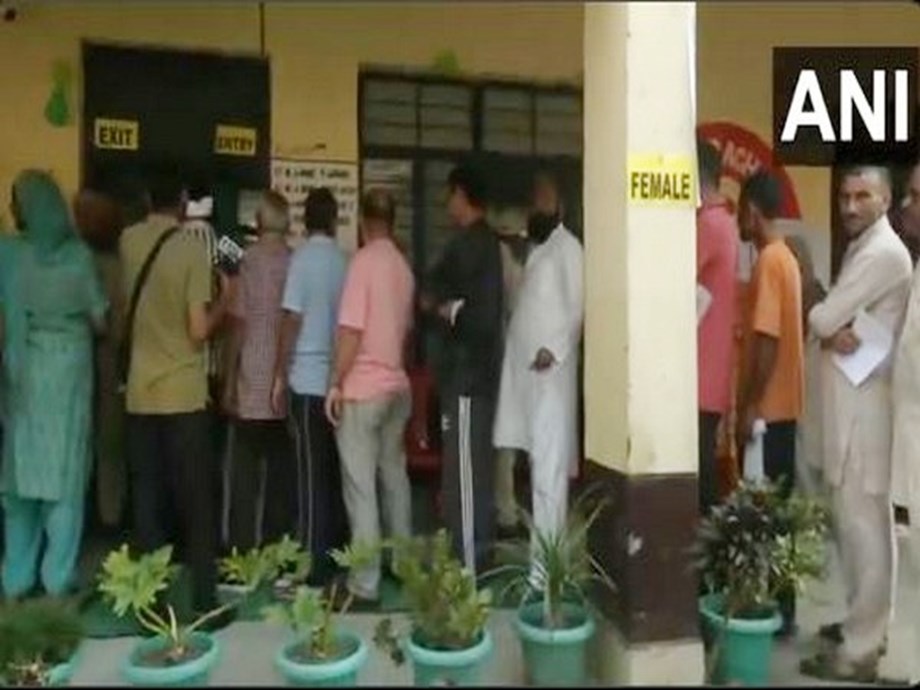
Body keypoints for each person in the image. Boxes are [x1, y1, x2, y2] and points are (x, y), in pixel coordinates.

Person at [800, 166, 912, 683]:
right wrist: (832, 324)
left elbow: (822, 318)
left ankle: (862, 649)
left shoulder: (884, 253)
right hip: (851, 407)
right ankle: (861, 625)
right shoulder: (866, 247)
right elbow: (830, 323)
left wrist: (830, 324)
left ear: (885, 200)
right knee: (855, 527)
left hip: (867, 414)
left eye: (862, 196)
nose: (849, 206)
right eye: (844, 196)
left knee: (866, 529)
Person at [120, 164, 235, 621]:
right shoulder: (191, 249)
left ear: (149, 197)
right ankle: (204, 601)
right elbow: (197, 330)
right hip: (183, 396)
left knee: (148, 501)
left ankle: (149, 604)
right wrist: (227, 296)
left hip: (140, 394)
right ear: (184, 200)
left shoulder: (128, 242)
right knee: (195, 502)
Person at [0, 170, 108, 598]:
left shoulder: (8, 255)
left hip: (21, 375)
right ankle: (57, 578)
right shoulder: (78, 259)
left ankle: (15, 577)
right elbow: (100, 317)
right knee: (63, 482)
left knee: (19, 484)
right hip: (66, 378)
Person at [325, 189, 415, 603]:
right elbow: (405, 331)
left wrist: (334, 382)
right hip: (397, 387)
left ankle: (365, 581)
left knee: (360, 485)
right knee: (394, 477)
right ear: (392, 221)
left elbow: (350, 331)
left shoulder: (361, 263)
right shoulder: (403, 267)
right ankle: (403, 562)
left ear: (363, 222)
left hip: (364, 389)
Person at [494, 169, 584, 554]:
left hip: (551, 375)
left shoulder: (569, 249)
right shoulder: (538, 250)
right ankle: (540, 564)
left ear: (560, 205)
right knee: (536, 471)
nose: (537, 206)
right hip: (525, 377)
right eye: (535, 199)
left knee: (549, 473)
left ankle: (546, 571)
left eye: (544, 198)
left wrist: (555, 349)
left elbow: (579, 308)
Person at [420, 163, 504, 572]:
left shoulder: (481, 247)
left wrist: (448, 309)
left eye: (450, 194)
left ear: (462, 194)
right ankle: (464, 559)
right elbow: (428, 295)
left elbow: (482, 318)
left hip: (471, 380)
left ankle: (471, 567)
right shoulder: (467, 245)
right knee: (459, 475)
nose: (446, 203)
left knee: (468, 477)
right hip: (460, 380)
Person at [735, 171, 804, 637]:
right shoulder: (788, 260)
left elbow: (764, 338)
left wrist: (749, 405)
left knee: (765, 517)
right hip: (785, 410)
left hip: (768, 413)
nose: (741, 219)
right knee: (778, 516)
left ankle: (776, 613)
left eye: (741, 209)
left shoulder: (769, 262)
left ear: (753, 212)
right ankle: (784, 610)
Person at [273, 187, 349, 586]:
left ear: (304, 221)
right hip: (338, 385)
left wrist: (280, 373)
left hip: (305, 381)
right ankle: (336, 554)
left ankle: (311, 566)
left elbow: (291, 319)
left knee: (307, 477)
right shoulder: (344, 262)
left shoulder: (301, 261)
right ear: (335, 219)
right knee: (333, 475)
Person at [222, 190, 296, 551]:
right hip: (285, 378)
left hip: (251, 375)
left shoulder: (248, 262)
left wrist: (228, 379)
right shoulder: (295, 262)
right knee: (281, 469)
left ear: (260, 222)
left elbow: (237, 323)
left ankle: (240, 547)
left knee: (244, 471)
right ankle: (276, 545)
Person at [74, 188, 129, 532]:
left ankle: (78, 514)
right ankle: (110, 517)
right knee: (110, 446)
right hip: (111, 362)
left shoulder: (75, 263)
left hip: (81, 361)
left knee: (75, 442)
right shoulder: (118, 267)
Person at [696, 139, 739, 515]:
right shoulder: (724, 221)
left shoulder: (709, 224)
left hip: (700, 370)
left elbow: (675, 276)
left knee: (701, 471)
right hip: (711, 368)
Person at [494, 226, 529, 537]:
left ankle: (506, 511)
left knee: (505, 444)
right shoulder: (513, 263)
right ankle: (506, 510)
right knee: (507, 445)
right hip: (508, 363)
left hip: (507, 363)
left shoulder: (509, 262)